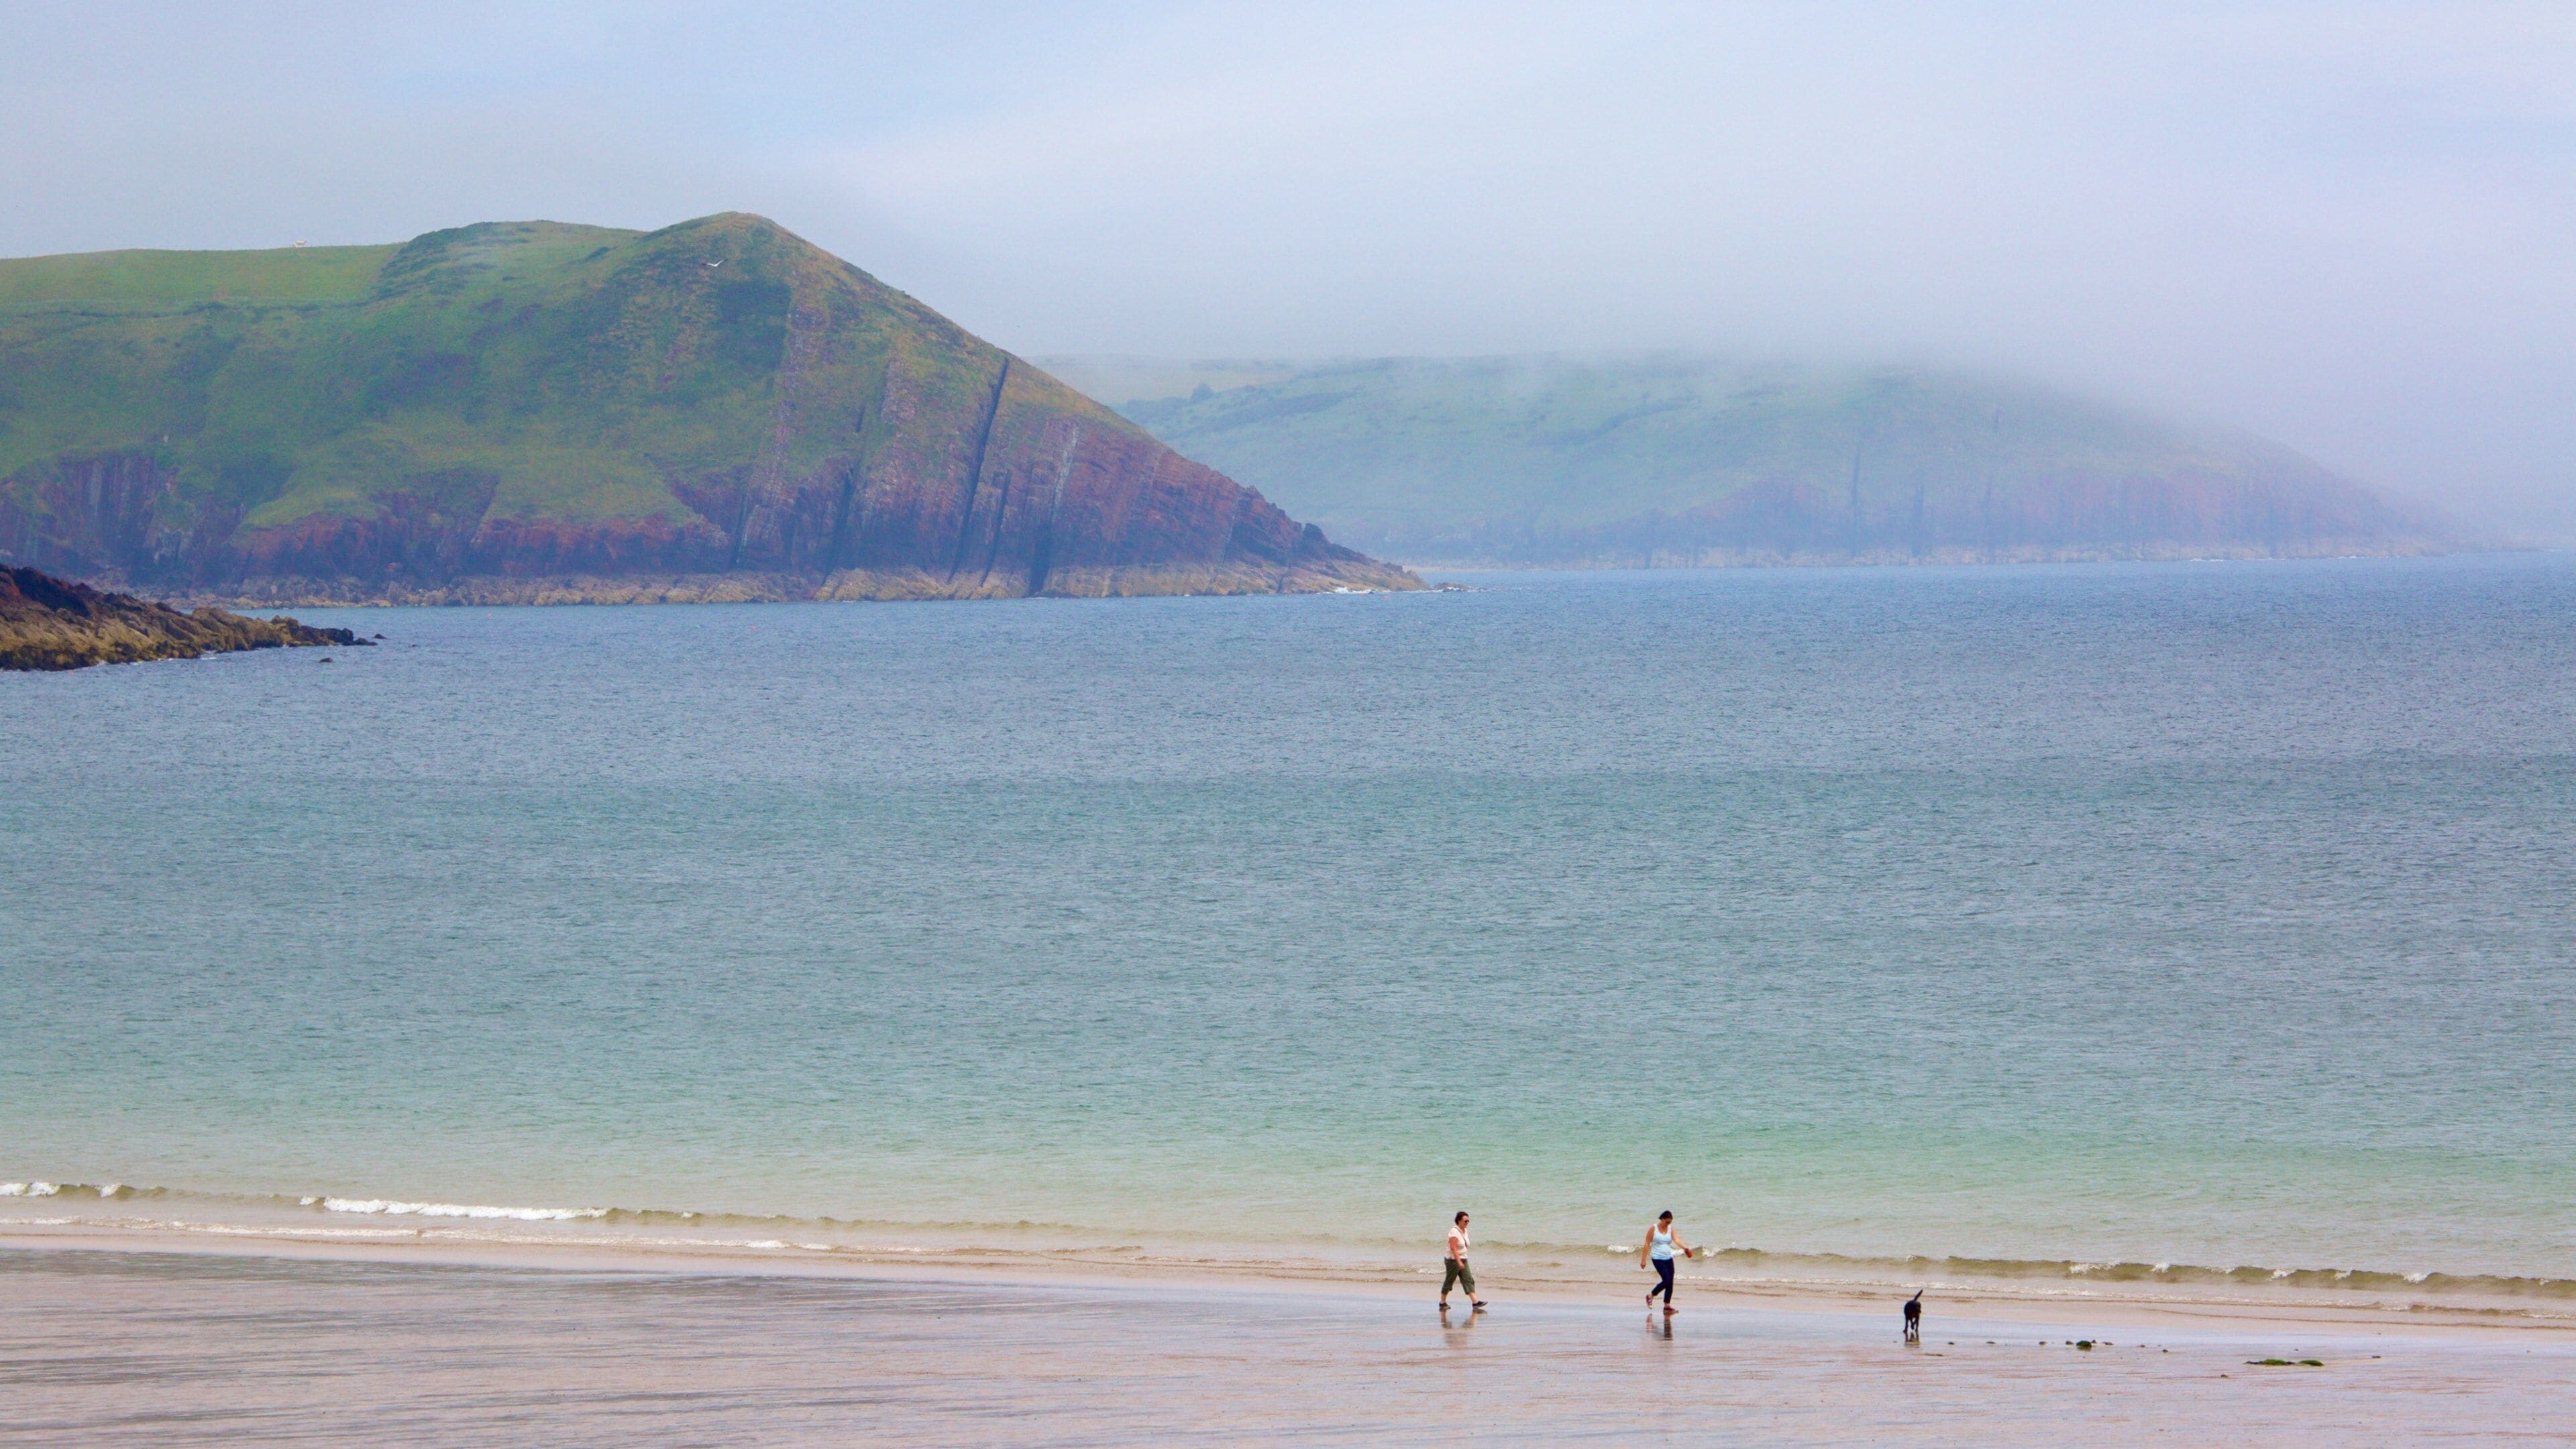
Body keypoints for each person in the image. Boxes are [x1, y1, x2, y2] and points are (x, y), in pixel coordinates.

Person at [1638, 1209, 1695, 1313]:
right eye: (1667, 1222)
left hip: (1668, 1258)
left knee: (1670, 1282)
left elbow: (1677, 1240)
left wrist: (1685, 1248)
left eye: (1670, 1223)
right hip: (1657, 1258)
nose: (1668, 1224)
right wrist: (1643, 1260)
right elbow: (1647, 1243)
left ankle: (1667, 1306)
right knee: (1666, 1281)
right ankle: (1651, 1295)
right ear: (1662, 1219)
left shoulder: (1671, 1229)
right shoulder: (1653, 1229)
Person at [1441, 1210, 1487, 1311]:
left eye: (1468, 1221)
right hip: (1453, 1260)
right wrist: (1459, 1262)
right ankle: (1442, 1302)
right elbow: (1453, 1248)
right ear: (1459, 1221)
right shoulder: (1454, 1232)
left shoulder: (1464, 1231)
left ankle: (1475, 1302)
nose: (1467, 1223)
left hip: (1463, 1259)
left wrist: (1462, 1260)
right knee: (1450, 1281)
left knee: (1468, 1279)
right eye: (1465, 1221)